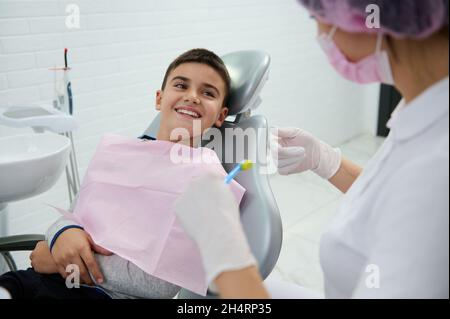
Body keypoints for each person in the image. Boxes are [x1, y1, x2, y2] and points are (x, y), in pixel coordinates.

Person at [174, 0, 449, 299]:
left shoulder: (436, 172)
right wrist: (327, 161)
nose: (320, 31)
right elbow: (392, 197)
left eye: (319, 15)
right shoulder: (421, 108)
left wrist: (222, 247)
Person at [0, 48, 231, 299]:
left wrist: (62, 262)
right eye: (181, 85)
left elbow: (161, 284)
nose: (192, 97)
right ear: (159, 98)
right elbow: (72, 214)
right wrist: (62, 234)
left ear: (220, 115)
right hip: (36, 279)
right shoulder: (121, 154)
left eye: (207, 92)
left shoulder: (208, 182)